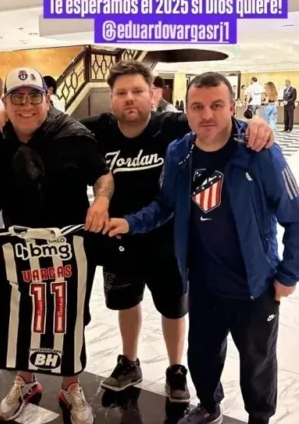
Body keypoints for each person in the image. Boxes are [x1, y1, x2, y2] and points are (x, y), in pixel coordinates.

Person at [108, 72, 299, 424]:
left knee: (257, 362)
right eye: (197, 106)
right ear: (187, 110)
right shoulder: (180, 152)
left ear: (233, 107)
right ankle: (209, 407)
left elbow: (295, 216)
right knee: (202, 355)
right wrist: (130, 222)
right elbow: (165, 205)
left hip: (255, 286)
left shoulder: (258, 152)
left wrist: (289, 274)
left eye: (216, 105)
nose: (207, 114)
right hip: (204, 284)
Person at [82, 61, 274, 399]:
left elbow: (215, 119)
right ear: (111, 99)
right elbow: (48, 125)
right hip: (119, 236)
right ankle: (129, 362)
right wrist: (2, 116)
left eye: (138, 91)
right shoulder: (97, 130)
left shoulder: (171, 126)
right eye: (121, 93)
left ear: (153, 95)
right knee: (127, 301)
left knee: (174, 308)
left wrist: (255, 124)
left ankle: (175, 369)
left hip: (168, 239)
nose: (130, 98)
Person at [0, 66, 114, 424]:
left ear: (47, 98)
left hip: (69, 245)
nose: (26, 105)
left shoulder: (73, 133)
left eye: (34, 96)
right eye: (17, 97)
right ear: (5, 102)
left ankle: (71, 386)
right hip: (20, 245)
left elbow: (102, 175)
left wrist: (101, 201)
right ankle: (26, 380)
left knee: (70, 314)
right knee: (23, 311)